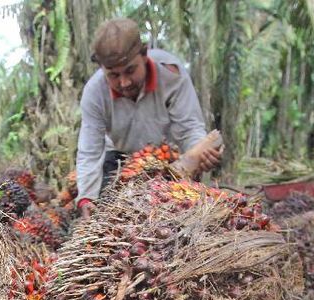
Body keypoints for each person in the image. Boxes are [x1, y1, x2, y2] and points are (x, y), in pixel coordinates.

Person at [75, 18, 221, 217]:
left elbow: (189, 128)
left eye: (130, 70)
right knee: (112, 213)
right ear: (102, 68)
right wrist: (86, 197)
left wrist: (200, 155)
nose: (124, 83)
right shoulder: (94, 93)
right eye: (113, 76)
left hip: (165, 160)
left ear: (144, 54)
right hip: (119, 162)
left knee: (178, 214)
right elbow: (90, 152)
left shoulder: (171, 75)